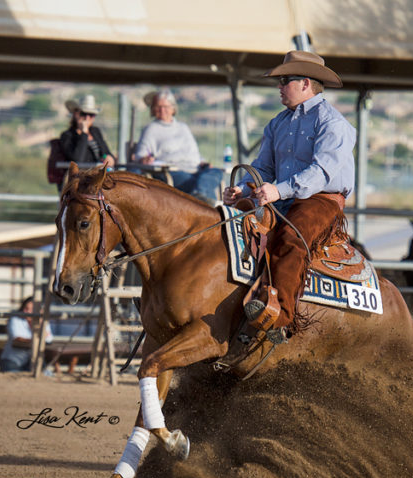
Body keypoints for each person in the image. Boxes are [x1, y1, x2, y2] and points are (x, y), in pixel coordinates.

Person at [223, 50, 356, 338]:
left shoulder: (334, 124)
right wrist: (243, 188)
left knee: (290, 238)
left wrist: (277, 190)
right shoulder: (278, 123)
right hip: (282, 197)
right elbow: (263, 167)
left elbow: (321, 173)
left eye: (284, 80)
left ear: (305, 83)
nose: (279, 87)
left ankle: (279, 318)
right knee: (232, 230)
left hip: (321, 200)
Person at [133, 89, 223, 206]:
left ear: (173, 108)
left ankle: (201, 197)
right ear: (153, 109)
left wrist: (202, 162)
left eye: (165, 106)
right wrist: (144, 159)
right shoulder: (151, 129)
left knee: (216, 172)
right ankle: (210, 207)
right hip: (172, 171)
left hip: (195, 168)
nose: (162, 110)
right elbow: (141, 154)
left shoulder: (183, 127)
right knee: (198, 183)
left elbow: (193, 152)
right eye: (158, 106)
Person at [59, 94, 116, 185]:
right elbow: (77, 159)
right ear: (75, 114)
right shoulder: (67, 136)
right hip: (79, 179)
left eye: (91, 115)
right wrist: (84, 133)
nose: (87, 118)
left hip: (98, 176)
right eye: (84, 114)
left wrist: (110, 158)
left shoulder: (95, 132)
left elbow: (105, 151)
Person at [0, 296, 53, 373]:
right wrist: (37, 341)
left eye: (30, 309)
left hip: (32, 360)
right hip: (13, 360)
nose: (26, 311)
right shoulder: (15, 319)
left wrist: (40, 323)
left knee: (46, 373)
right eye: (25, 308)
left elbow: (49, 339)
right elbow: (17, 339)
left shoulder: (42, 322)